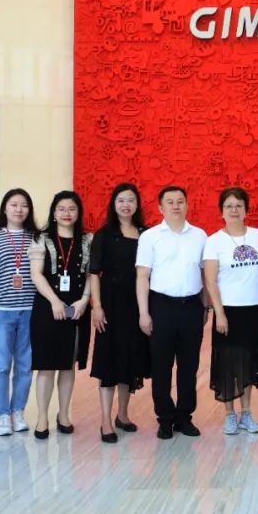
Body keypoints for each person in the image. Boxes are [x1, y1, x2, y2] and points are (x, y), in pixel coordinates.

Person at [136, 186, 209, 440]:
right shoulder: (150, 237)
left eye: (180, 201)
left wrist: (206, 306)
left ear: (187, 205)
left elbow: (205, 275)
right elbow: (142, 276)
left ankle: (184, 417)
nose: (176, 206)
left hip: (192, 307)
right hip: (161, 307)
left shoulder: (200, 236)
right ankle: (165, 419)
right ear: (160, 207)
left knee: (189, 366)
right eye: (170, 202)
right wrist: (144, 313)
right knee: (162, 366)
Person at [89, 183, 151, 444]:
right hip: (110, 305)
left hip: (137, 305)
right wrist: (97, 306)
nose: (126, 205)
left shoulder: (147, 234)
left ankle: (123, 415)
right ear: (114, 204)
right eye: (121, 200)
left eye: (131, 200)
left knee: (130, 360)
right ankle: (105, 420)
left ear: (137, 204)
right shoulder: (104, 235)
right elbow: (94, 273)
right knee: (108, 361)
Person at [29, 191, 93, 439]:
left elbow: (91, 274)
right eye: (62, 209)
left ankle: (64, 415)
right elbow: (36, 274)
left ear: (78, 213)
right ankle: (42, 417)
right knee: (46, 366)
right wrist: (54, 301)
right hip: (47, 308)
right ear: (54, 213)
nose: (67, 213)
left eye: (72, 209)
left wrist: (84, 300)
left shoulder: (87, 239)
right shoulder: (41, 239)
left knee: (68, 365)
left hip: (76, 309)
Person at [204, 187, 258, 435]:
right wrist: (219, 313)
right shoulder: (214, 241)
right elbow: (211, 281)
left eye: (239, 205)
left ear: (246, 210)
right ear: (221, 211)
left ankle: (246, 414)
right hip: (228, 311)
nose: (234, 210)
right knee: (228, 363)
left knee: (249, 361)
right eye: (229, 206)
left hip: (252, 308)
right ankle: (229, 415)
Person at [0, 188, 40, 437]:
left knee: (25, 366)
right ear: (4, 208)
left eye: (24, 205)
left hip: (30, 311)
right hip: (0, 311)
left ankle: (18, 412)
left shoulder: (36, 238)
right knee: (0, 366)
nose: (19, 209)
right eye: (14, 204)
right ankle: (2, 415)